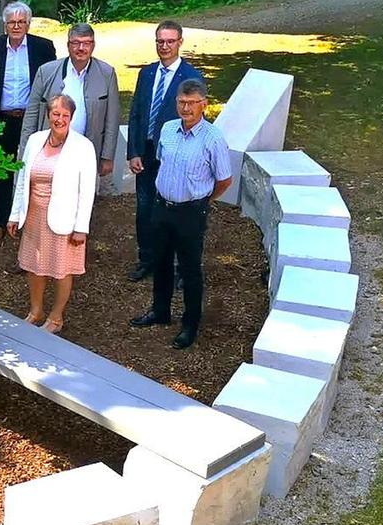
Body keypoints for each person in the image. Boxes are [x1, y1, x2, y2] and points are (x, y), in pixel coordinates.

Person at [129, 78, 232, 350]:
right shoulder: (168, 129)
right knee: (160, 262)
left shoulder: (213, 139)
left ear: (204, 105)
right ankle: (160, 311)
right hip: (162, 207)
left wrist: (203, 199)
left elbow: (224, 180)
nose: (185, 108)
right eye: (181, 102)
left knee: (189, 270)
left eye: (191, 103)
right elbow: (162, 162)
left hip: (191, 213)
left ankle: (190, 324)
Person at [8, 95, 97, 334]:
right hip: (34, 215)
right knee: (34, 265)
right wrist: (15, 215)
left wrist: (81, 227)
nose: (60, 119)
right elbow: (22, 181)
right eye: (55, 114)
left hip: (64, 220)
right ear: (48, 115)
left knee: (61, 268)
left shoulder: (82, 146)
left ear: (71, 117)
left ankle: (56, 317)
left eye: (65, 115)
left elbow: (87, 190)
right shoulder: (36, 140)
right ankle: (35, 311)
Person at [124, 20, 203, 282]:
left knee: (178, 211)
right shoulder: (146, 74)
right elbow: (136, 112)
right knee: (145, 208)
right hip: (146, 152)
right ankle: (147, 259)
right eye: (160, 41)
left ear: (180, 42)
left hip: (174, 154)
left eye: (170, 41)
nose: (165, 46)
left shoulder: (191, 77)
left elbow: (195, 118)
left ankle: (182, 268)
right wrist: (133, 151)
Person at [0, 1, 56, 242]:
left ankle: (30, 220)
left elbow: (49, 80)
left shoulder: (43, 47)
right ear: (5, 25)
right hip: (3, 118)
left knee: (33, 170)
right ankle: (1, 221)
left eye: (21, 22)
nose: (16, 26)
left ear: (28, 24)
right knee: (4, 171)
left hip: (31, 119)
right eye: (11, 22)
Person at [19, 22, 119, 184]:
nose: (81, 48)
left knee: (81, 198)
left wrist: (107, 156)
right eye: (76, 43)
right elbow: (31, 115)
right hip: (50, 150)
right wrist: (26, 151)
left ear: (93, 45)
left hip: (86, 151)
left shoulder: (107, 73)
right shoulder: (46, 72)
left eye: (86, 43)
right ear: (68, 45)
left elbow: (112, 118)